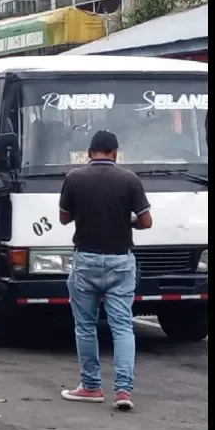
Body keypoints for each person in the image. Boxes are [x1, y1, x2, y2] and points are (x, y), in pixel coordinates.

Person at [58, 130, 152, 410]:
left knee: (85, 326)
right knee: (122, 327)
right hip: (121, 261)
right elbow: (146, 222)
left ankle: (90, 386)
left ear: (90, 152)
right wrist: (127, 222)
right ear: (115, 152)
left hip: (86, 259)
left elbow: (64, 218)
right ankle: (123, 391)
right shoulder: (129, 179)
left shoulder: (74, 178)